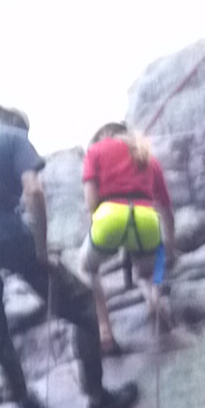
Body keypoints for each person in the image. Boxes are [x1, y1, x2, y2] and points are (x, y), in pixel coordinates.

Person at [0, 105, 138, 408]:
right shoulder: (15, 140)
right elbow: (34, 191)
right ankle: (98, 401)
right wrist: (39, 248)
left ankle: (22, 396)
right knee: (82, 307)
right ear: (20, 126)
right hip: (9, 237)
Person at [81, 121, 177, 354]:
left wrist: (101, 224)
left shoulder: (95, 151)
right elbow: (166, 208)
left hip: (110, 217)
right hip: (146, 219)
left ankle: (105, 331)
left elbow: (91, 201)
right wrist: (169, 247)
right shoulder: (148, 157)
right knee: (147, 272)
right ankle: (154, 300)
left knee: (88, 268)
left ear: (104, 134)